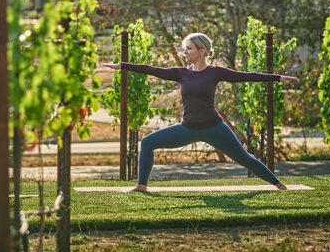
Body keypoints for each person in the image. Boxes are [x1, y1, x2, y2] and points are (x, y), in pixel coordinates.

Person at [103, 32, 296, 192]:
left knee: (245, 158)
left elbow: (246, 76)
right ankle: (142, 186)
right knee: (147, 142)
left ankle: (279, 186)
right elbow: (151, 70)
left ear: (201, 51)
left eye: (189, 48)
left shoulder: (215, 72)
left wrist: (277, 78)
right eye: (185, 48)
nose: (185, 52)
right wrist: (122, 66)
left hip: (215, 128)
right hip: (187, 129)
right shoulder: (181, 73)